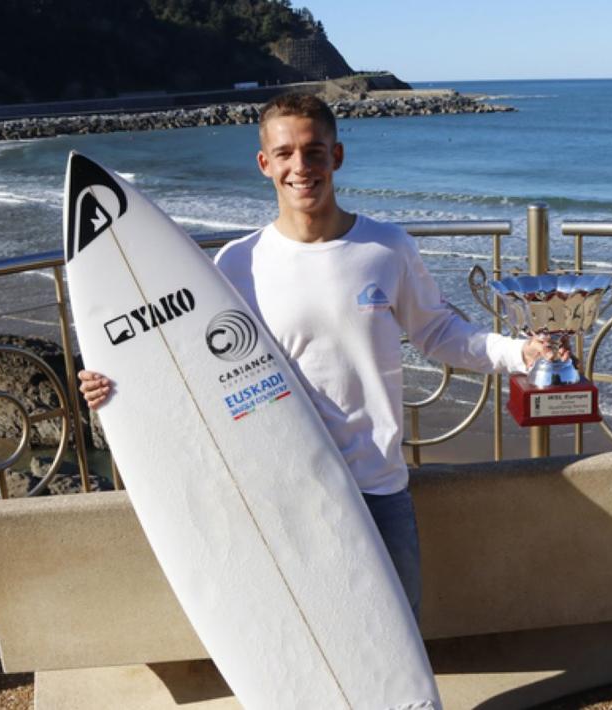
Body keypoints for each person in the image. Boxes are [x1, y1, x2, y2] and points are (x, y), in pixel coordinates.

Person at [79, 92, 559, 620]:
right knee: (314, 635)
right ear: (265, 163)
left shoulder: (388, 248)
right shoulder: (237, 264)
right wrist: (120, 383)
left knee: (397, 631)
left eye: (313, 151)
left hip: (378, 484)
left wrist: (522, 352)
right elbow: (200, 365)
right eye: (284, 154)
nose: (300, 167)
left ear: (337, 156)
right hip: (282, 488)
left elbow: (438, 331)